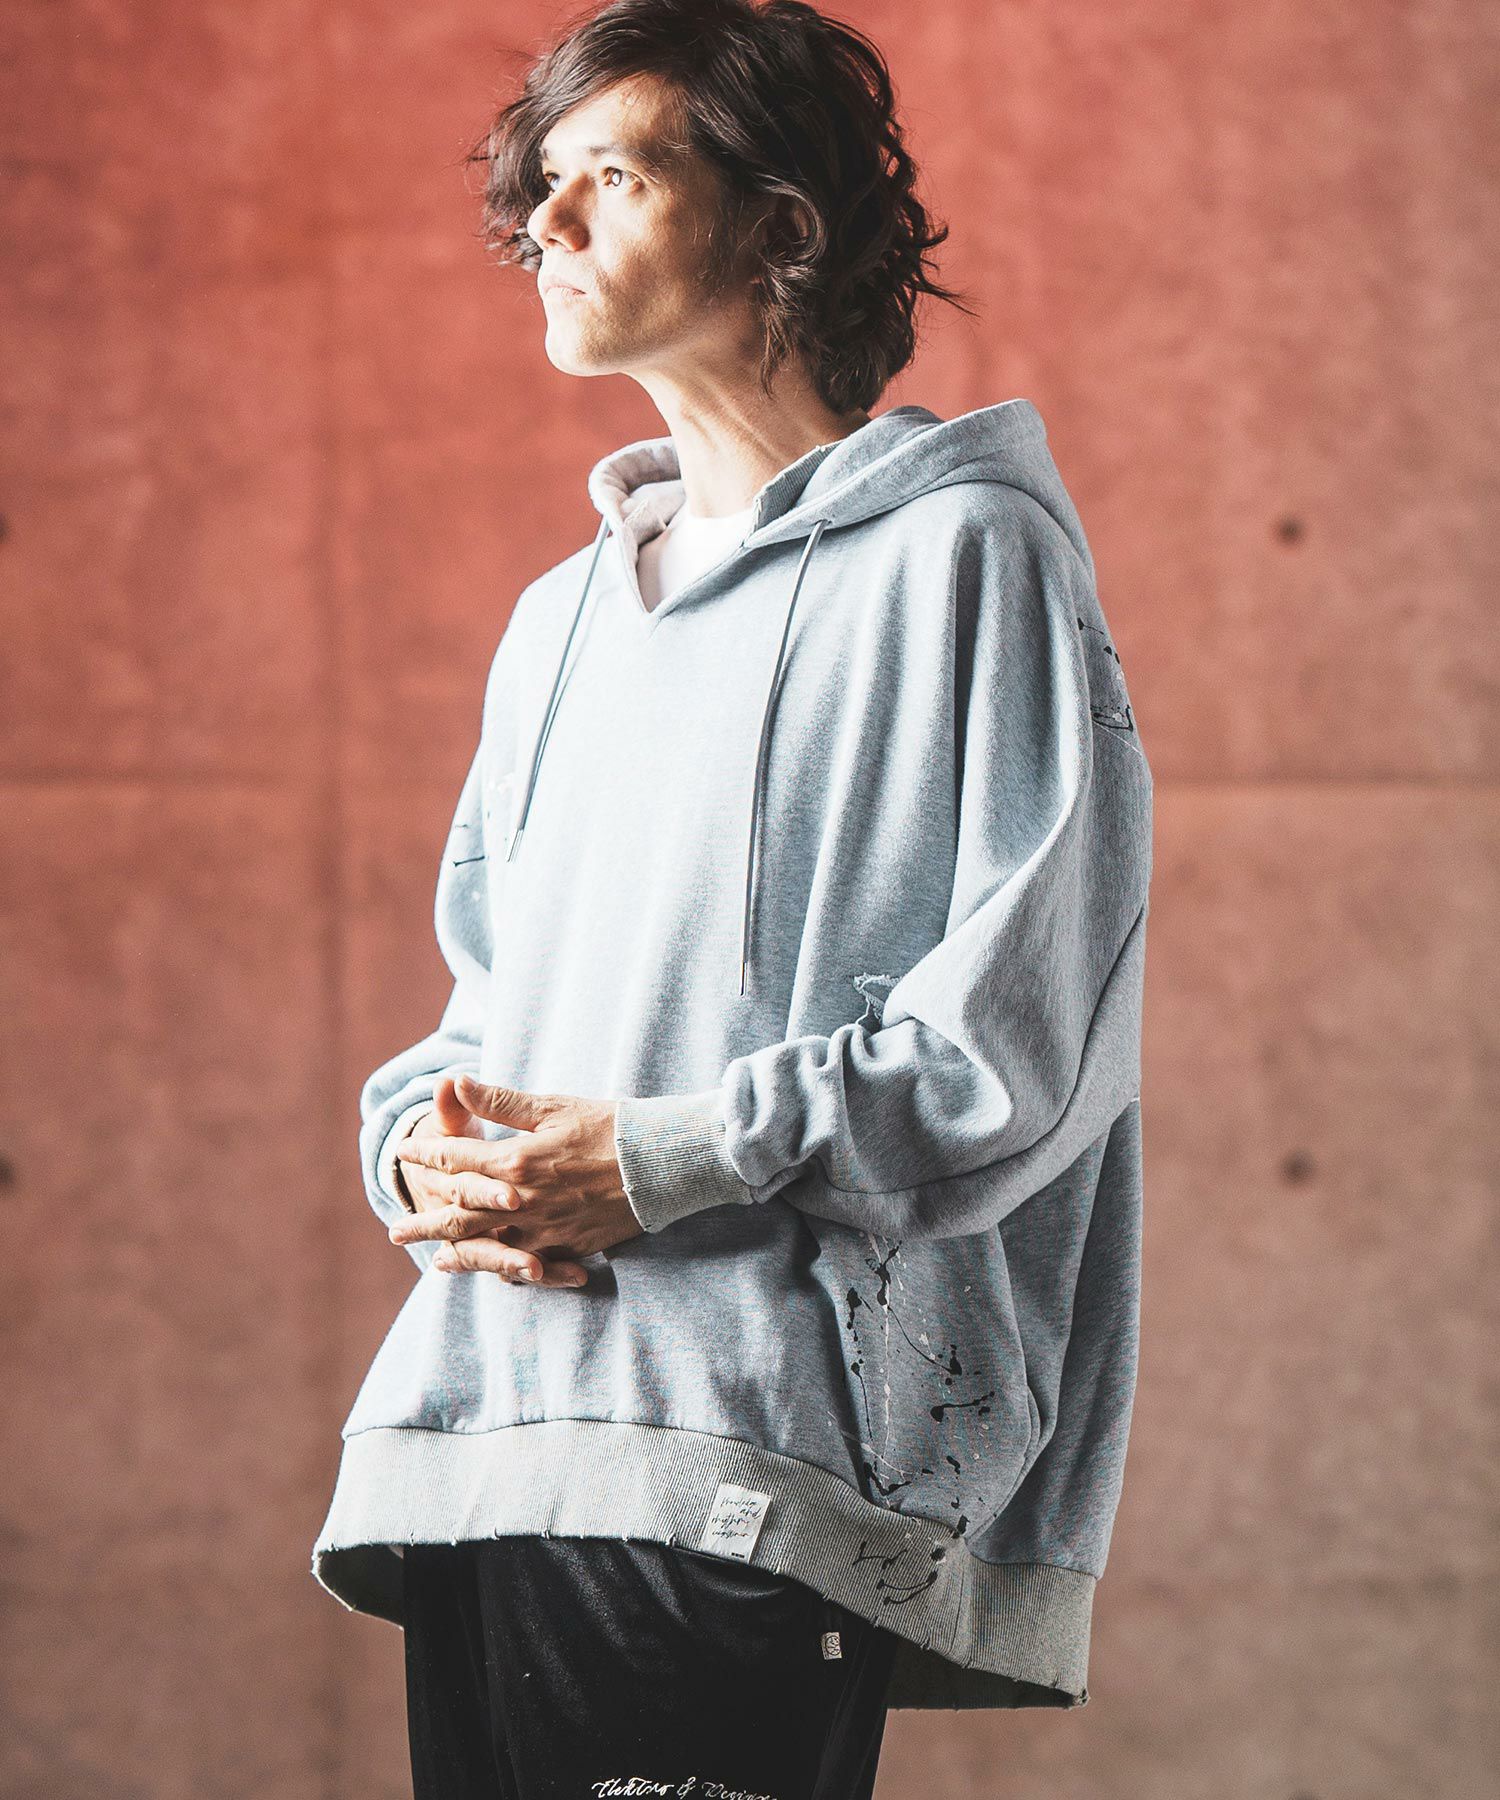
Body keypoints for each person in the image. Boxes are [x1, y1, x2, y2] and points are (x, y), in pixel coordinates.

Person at [311, 2, 1155, 1794]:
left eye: (612, 176)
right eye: (541, 186)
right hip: (479, 1442)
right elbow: (483, 1019)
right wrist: (421, 1157)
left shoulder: (967, 555)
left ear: (782, 224)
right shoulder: (555, 624)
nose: (546, 225)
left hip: (744, 1456)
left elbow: (1013, 1049)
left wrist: (657, 1160)